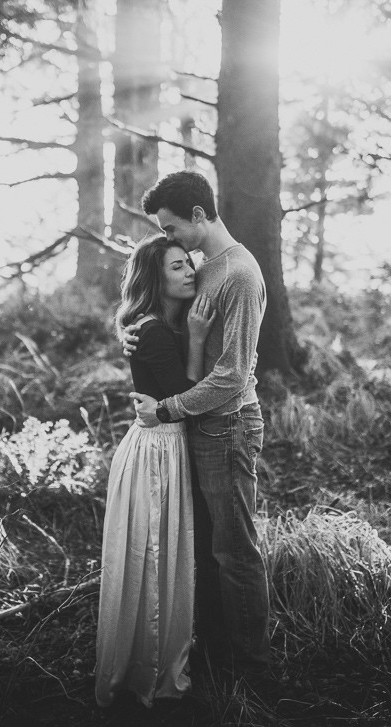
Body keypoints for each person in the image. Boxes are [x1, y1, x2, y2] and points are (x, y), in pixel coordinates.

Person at [127, 170, 271, 687]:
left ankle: (252, 667)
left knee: (234, 551)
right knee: (208, 546)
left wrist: (165, 410)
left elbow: (232, 377)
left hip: (226, 427)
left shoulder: (239, 274)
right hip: (199, 426)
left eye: (169, 228)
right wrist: (141, 336)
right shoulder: (205, 266)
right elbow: (177, 324)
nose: (168, 239)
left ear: (197, 216)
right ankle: (212, 649)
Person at [95, 235, 216, 709]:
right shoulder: (157, 330)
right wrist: (202, 339)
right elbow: (182, 397)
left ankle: (145, 658)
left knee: (156, 551)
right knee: (156, 553)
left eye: (190, 264)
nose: (190, 273)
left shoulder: (155, 325)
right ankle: (151, 668)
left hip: (155, 445)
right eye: (177, 268)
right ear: (155, 278)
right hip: (159, 450)